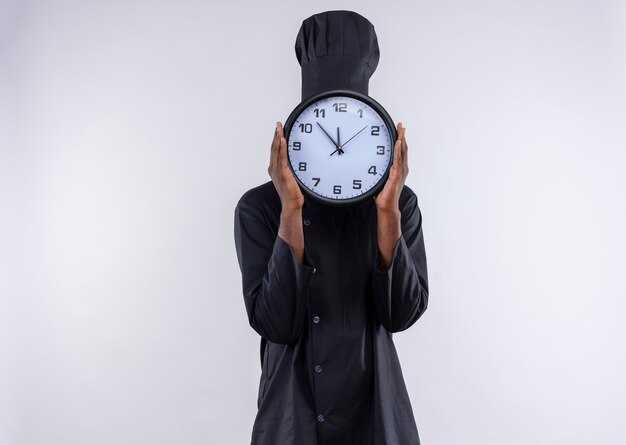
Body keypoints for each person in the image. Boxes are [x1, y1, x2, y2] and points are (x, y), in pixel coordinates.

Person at [234, 10, 429, 445]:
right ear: (296, 132)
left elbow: (401, 315)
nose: (336, 148)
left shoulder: (399, 204)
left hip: (375, 409)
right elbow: (277, 324)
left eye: (351, 135)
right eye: (322, 135)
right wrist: (290, 209)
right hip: (293, 411)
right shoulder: (259, 208)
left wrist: (388, 213)